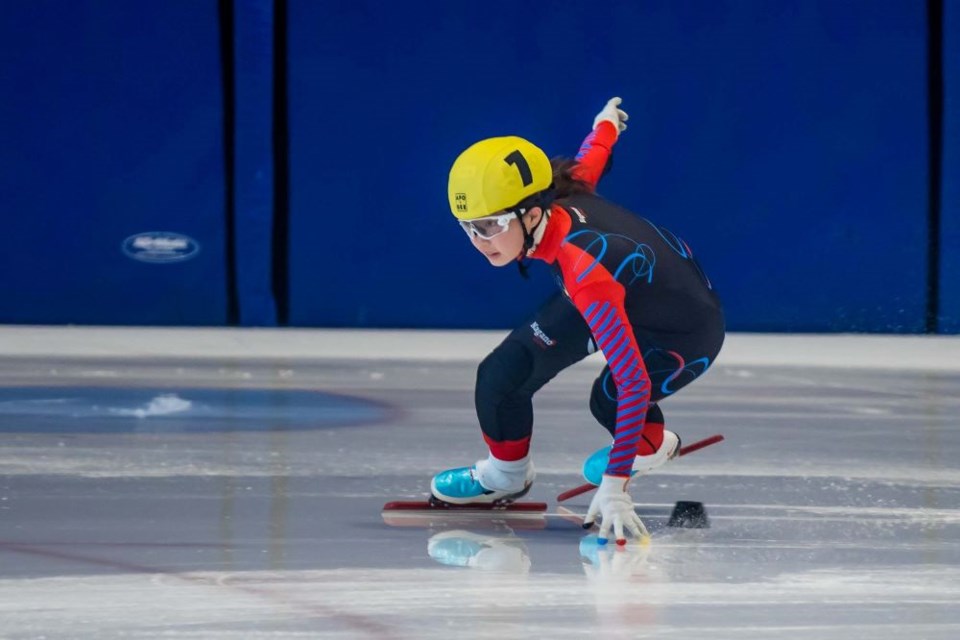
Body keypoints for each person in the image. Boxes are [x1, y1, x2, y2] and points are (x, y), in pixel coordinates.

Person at [432, 97, 725, 544]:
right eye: (467, 227)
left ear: (531, 215)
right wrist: (605, 127)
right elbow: (588, 162)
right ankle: (504, 476)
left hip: (684, 330)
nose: (478, 241)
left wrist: (614, 487)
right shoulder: (558, 195)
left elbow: (633, 383)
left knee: (608, 398)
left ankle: (651, 441)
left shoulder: (584, 272)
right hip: (625, 290)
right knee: (500, 376)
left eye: (489, 226)